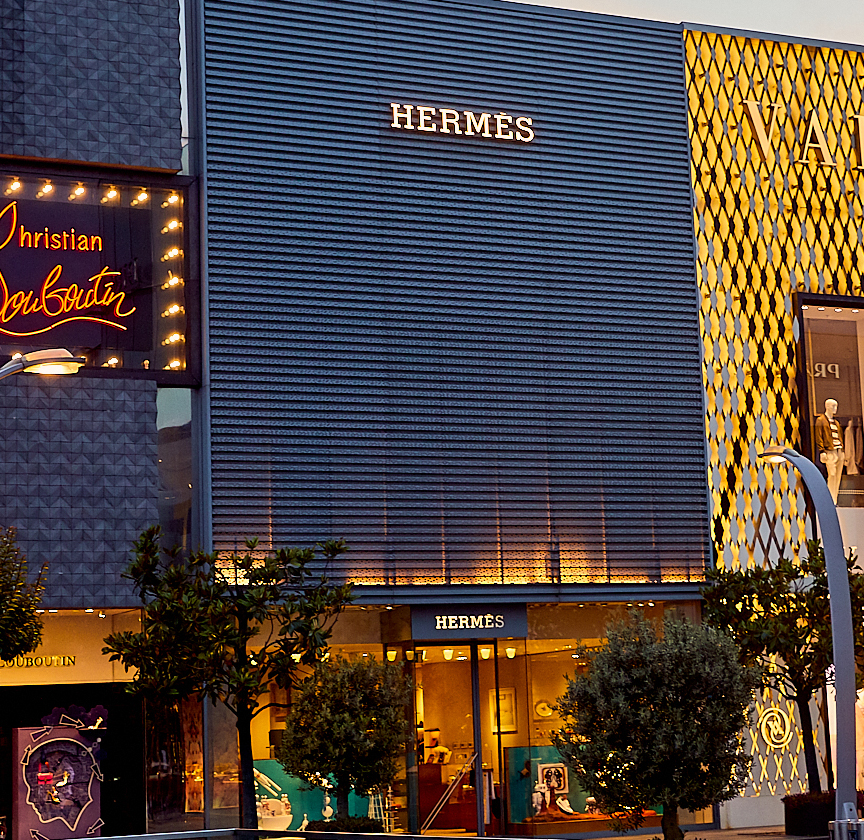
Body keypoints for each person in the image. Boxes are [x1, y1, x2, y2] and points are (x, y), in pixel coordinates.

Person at [815, 398, 845, 503]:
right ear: (827, 407)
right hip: (829, 451)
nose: (835, 408)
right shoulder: (821, 420)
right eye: (833, 406)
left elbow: (839, 436)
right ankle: (830, 500)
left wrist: (842, 450)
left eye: (836, 406)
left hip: (839, 450)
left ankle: (834, 499)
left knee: (838, 476)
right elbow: (819, 436)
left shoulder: (836, 423)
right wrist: (822, 451)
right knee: (832, 475)